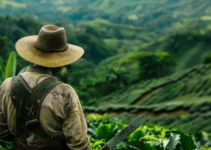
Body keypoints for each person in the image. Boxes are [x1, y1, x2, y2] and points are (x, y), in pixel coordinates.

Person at [0, 24, 91, 150]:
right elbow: (78, 144)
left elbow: (2, 132)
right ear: (60, 61)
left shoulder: (7, 85)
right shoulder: (65, 93)